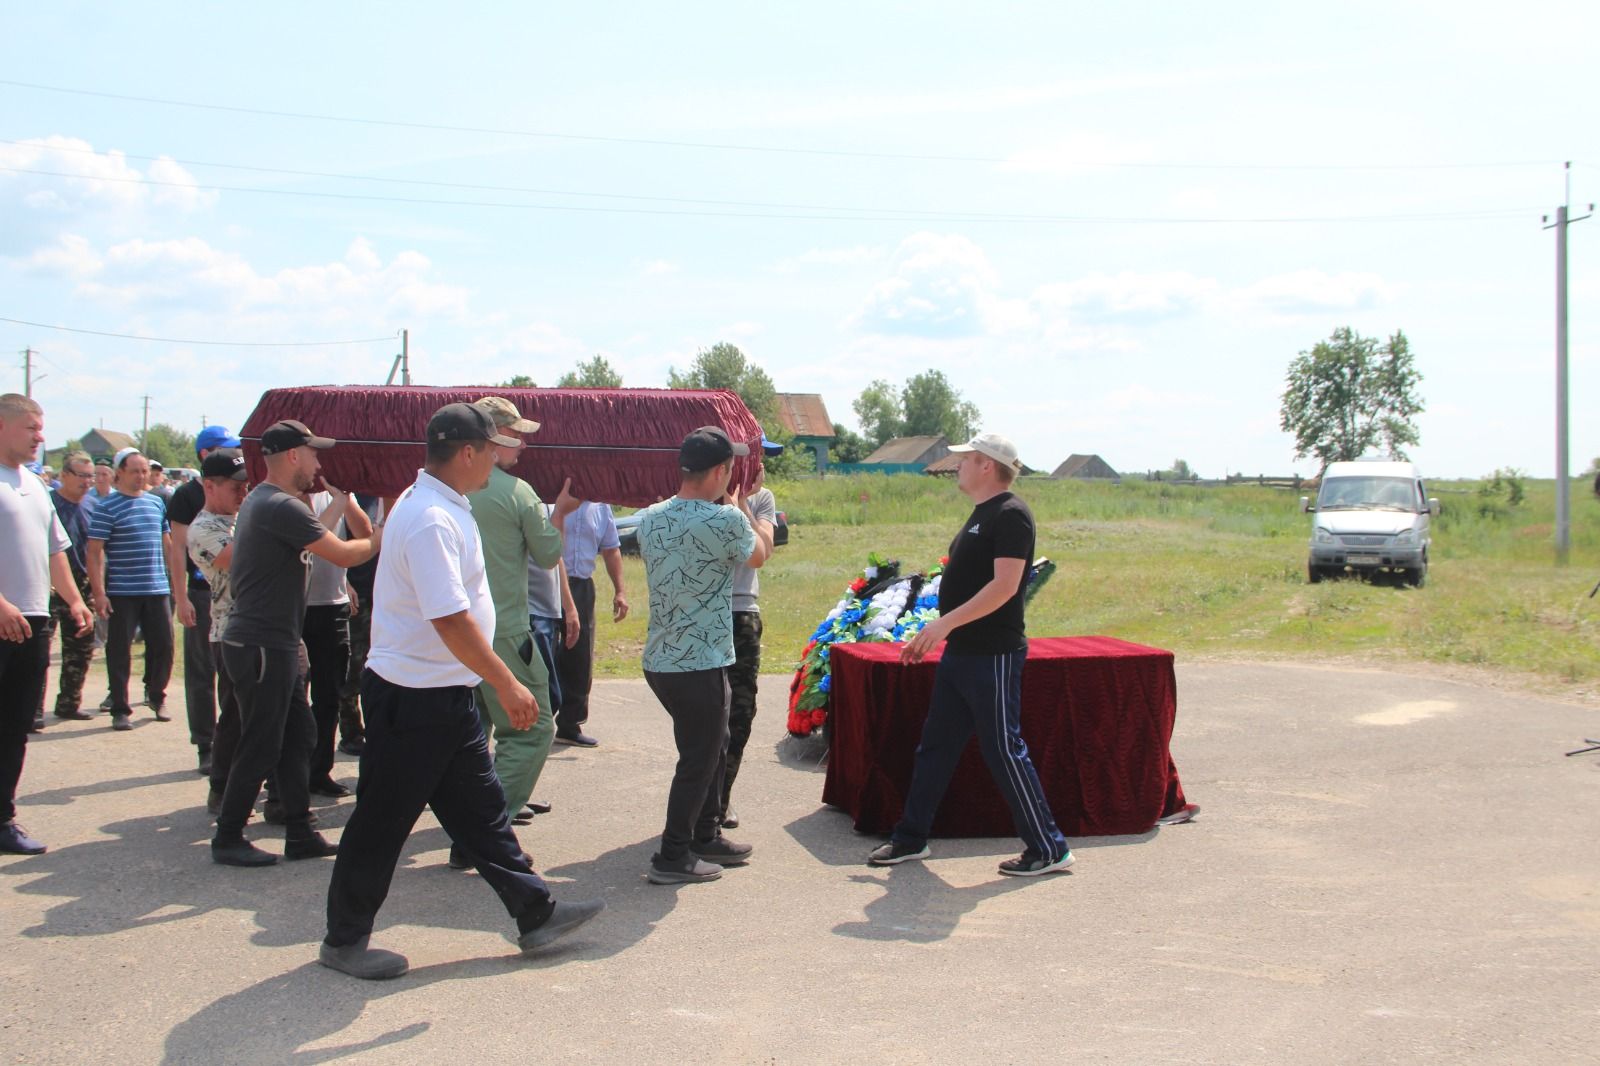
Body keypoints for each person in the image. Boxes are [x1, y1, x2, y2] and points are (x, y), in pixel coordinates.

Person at [321, 402, 603, 980]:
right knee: (381, 822)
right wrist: (508, 683)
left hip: (443, 694)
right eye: (493, 448)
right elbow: (450, 619)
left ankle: (535, 913)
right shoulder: (430, 518)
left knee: (482, 816)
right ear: (469, 452)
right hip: (413, 698)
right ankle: (344, 940)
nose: (500, 458)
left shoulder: (445, 505)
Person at [867, 433, 1073, 877]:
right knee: (935, 747)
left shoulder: (1011, 514)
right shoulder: (982, 515)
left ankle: (1049, 847)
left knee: (1004, 749)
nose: (955, 464)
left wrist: (942, 625)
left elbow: (1004, 588)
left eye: (964, 459)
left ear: (986, 465)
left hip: (992, 654)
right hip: (962, 653)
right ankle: (910, 838)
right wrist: (943, 630)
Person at [210, 420, 376, 867]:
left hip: (274, 643)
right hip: (261, 644)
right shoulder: (279, 505)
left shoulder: (270, 503)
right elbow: (342, 554)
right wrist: (381, 534)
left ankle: (299, 830)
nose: (319, 463)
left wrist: (344, 506)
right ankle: (227, 836)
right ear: (293, 457)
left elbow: (314, 541)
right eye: (314, 454)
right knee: (262, 743)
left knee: (298, 735)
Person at [636, 426, 772, 885]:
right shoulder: (725, 520)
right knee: (699, 758)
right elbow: (759, 555)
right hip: (701, 660)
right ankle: (672, 856)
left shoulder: (651, 516)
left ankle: (706, 832)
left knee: (711, 749)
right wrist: (742, 509)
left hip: (662, 659)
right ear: (720, 472)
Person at [448, 396, 573, 867]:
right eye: (514, 435)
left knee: (471, 734)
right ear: (491, 439)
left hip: (456, 633)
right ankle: (485, 836)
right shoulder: (517, 493)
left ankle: (471, 827)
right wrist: (557, 514)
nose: (522, 444)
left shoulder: (446, 490)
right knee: (533, 727)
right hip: (505, 633)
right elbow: (547, 554)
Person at [0, 394, 95, 854]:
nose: (41, 437)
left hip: (33, 619)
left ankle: (3, 818)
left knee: (15, 724)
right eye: (30, 429)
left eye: (41, 429)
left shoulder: (35, 485)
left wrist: (75, 600)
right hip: (2, 616)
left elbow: (55, 549)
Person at [86, 448, 183, 731]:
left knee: (164, 645)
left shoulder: (155, 503)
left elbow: (168, 544)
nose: (141, 476)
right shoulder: (106, 507)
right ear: (120, 473)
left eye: (144, 471)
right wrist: (99, 592)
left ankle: (155, 694)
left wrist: (176, 583)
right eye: (135, 471)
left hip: (156, 588)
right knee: (119, 650)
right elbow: (94, 552)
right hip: (122, 590)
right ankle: (120, 706)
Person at [167, 424, 242, 774]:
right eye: (223, 448)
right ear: (204, 454)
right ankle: (205, 744)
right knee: (201, 670)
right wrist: (180, 597)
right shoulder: (185, 496)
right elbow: (179, 550)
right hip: (202, 590)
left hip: (233, 588)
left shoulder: (238, 490)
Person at [186, 448, 249, 815]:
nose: (243, 494)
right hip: (228, 633)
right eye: (235, 487)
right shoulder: (203, 528)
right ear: (209, 486)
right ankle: (222, 789)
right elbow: (239, 558)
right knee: (235, 718)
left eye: (246, 486)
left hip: (253, 628)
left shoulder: (240, 518)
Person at [719, 463, 778, 830]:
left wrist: (741, 506)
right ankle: (699, 801)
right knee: (706, 714)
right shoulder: (703, 489)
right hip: (706, 612)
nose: (761, 468)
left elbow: (764, 550)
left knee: (739, 713)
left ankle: (721, 800)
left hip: (741, 612)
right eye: (755, 458)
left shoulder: (761, 499)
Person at [553, 500, 628, 746]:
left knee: (580, 656)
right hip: (546, 584)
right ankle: (535, 722)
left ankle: (569, 724)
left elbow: (611, 548)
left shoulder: (600, 506)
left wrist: (620, 591)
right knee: (544, 651)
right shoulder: (549, 499)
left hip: (581, 585)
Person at [35, 451, 98, 729]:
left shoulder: (94, 506)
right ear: (64, 476)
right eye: (82, 475)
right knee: (40, 648)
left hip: (82, 584)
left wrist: (98, 587)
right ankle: (33, 709)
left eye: (90, 476)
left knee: (81, 647)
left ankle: (69, 702)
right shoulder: (48, 503)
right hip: (47, 582)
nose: (87, 481)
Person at [302, 490, 356, 799]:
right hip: (296, 606)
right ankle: (281, 778)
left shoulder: (336, 493)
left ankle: (318, 771)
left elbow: (360, 532)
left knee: (329, 696)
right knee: (291, 698)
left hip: (332, 605)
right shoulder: (287, 494)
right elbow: (313, 538)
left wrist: (345, 497)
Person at [335, 493, 383, 757]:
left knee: (378, 666)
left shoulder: (394, 495)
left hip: (384, 593)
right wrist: (344, 581)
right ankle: (351, 731)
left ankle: (377, 729)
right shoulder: (353, 497)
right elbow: (332, 543)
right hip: (357, 591)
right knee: (353, 666)